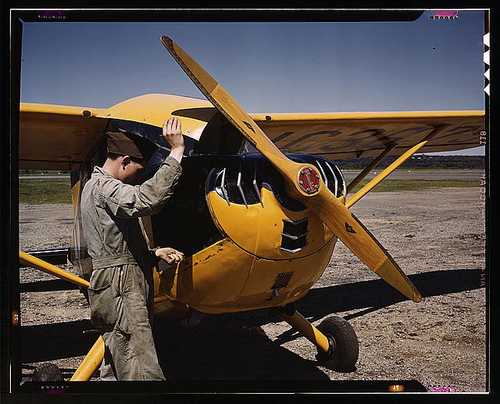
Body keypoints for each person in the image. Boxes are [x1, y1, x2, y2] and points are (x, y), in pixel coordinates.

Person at [80, 117, 186, 381]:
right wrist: (176, 153)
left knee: (120, 357)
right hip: (120, 285)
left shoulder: (95, 187)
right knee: (140, 367)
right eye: (136, 172)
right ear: (124, 161)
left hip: (115, 280)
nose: (135, 180)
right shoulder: (105, 187)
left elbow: (113, 241)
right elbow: (144, 199)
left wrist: (152, 253)